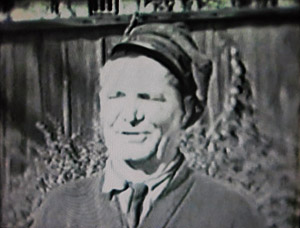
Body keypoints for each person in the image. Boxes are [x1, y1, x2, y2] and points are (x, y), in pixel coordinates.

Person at [32, 23, 265, 228]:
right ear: (101, 106)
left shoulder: (230, 214)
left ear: (186, 111)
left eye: (147, 97)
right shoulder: (61, 210)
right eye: (117, 96)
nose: (130, 115)